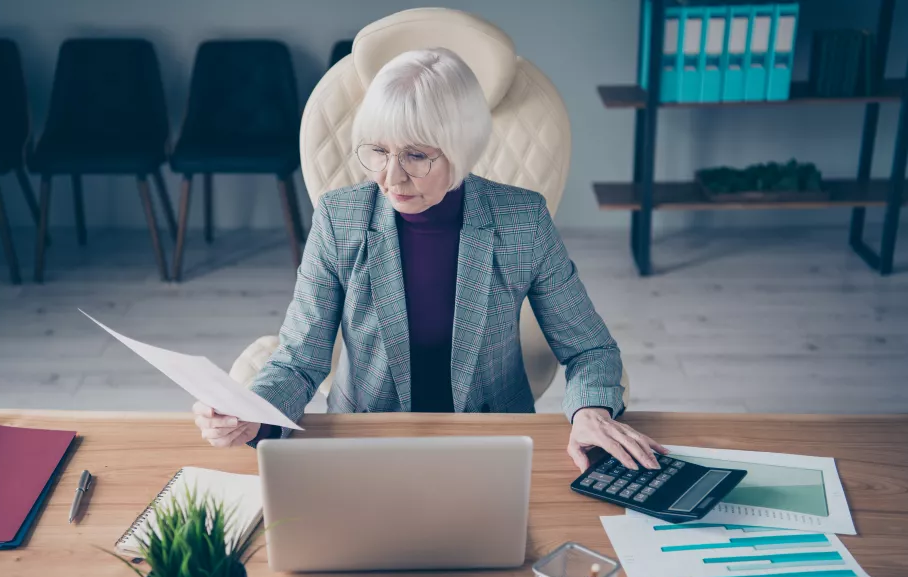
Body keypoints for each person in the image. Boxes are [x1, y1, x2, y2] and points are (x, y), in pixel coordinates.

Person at [193, 47, 666, 472]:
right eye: (378, 150)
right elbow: (300, 359)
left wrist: (589, 412)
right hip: (365, 442)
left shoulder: (523, 218)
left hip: (493, 445)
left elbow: (590, 349)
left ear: (461, 151)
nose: (390, 176)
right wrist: (252, 414)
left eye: (416, 155)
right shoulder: (339, 218)